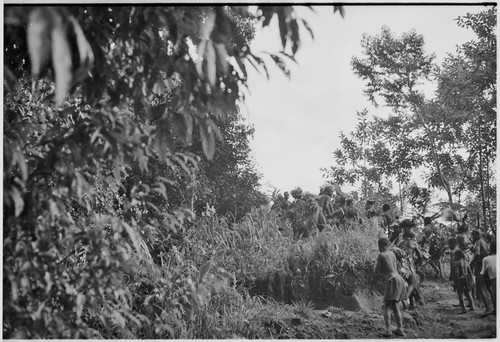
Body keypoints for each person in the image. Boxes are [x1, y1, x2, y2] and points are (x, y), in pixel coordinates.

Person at [374, 237, 406, 337]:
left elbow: (376, 271)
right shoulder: (392, 253)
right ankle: (400, 328)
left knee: (386, 305)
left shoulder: (381, 255)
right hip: (399, 279)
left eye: (379, 246)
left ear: (380, 246)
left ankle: (388, 329)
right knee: (395, 305)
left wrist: (375, 264)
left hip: (391, 280)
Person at [397, 229, 424, 309]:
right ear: (409, 237)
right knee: (413, 283)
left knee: (409, 284)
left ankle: (412, 303)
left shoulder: (399, 243)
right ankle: (405, 298)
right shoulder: (413, 243)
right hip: (408, 264)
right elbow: (420, 256)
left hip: (400, 265)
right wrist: (416, 265)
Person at [471, 229, 491, 313]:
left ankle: (487, 308)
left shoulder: (479, 242)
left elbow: (478, 254)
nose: (472, 237)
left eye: (473, 235)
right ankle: (489, 305)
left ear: (477, 235)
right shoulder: (484, 242)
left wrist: (472, 261)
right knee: (487, 286)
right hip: (485, 264)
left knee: (481, 286)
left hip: (480, 265)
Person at [453, 249, 475, 314]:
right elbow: (470, 272)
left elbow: (456, 273)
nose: (454, 256)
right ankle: (472, 307)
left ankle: (463, 309)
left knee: (460, 294)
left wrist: (455, 282)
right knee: (468, 293)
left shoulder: (457, 263)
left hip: (460, 279)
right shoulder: (465, 261)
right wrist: (472, 279)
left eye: (455, 255)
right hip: (467, 278)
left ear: (458, 255)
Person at [480, 239, 496, 315]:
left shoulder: (486, 259)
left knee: (492, 290)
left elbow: (483, 273)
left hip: (494, 279)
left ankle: (493, 308)